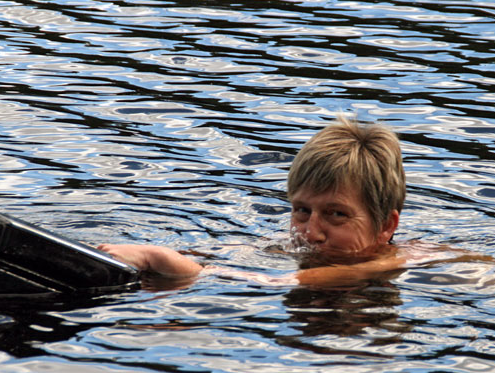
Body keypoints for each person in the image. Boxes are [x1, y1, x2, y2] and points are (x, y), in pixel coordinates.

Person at [98, 117, 411, 287]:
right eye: (302, 211)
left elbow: (279, 281)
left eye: (336, 214)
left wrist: (167, 262)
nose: (310, 232)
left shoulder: (384, 265)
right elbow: (239, 253)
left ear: (385, 226)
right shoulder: (298, 244)